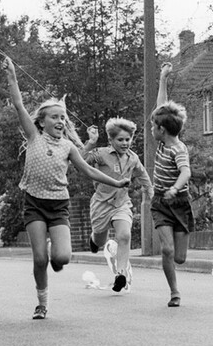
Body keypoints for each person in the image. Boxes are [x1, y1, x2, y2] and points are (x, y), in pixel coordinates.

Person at [2, 57, 131, 320]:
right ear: (42, 122)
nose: (61, 121)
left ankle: (55, 256)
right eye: (55, 117)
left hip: (58, 206)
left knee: (62, 258)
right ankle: (42, 303)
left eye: (63, 117)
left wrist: (117, 182)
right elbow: (18, 104)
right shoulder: (33, 136)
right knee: (40, 259)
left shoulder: (69, 147)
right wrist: (12, 75)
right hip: (34, 204)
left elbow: (88, 170)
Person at [82, 118, 153, 292]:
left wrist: (152, 194)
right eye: (120, 140)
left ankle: (121, 274)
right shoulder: (101, 153)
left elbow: (144, 177)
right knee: (100, 240)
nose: (124, 143)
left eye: (127, 139)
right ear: (111, 140)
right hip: (101, 204)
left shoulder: (133, 158)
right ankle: (94, 238)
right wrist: (91, 142)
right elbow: (81, 161)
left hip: (121, 204)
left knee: (124, 235)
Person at [148, 62, 193, 307]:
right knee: (167, 250)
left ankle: (176, 274)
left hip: (179, 202)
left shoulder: (178, 149)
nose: (151, 128)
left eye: (154, 126)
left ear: (161, 130)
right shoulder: (163, 142)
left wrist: (175, 188)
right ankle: (174, 292)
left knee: (180, 258)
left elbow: (186, 172)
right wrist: (163, 78)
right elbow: (160, 108)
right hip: (160, 203)